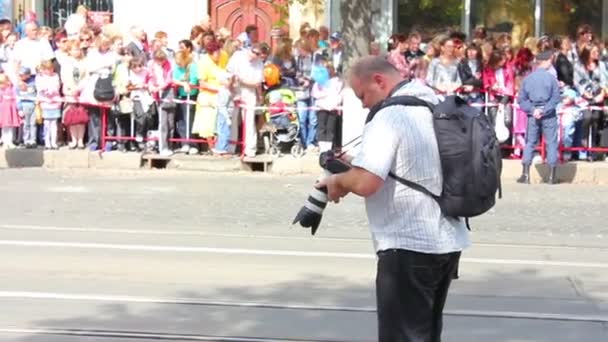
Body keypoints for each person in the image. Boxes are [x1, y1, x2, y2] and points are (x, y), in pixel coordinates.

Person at [317, 56, 470, 342]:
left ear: (379, 80)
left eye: (362, 95)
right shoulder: (432, 103)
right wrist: (355, 162)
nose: (363, 104)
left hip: (408, 244)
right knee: (425, 334)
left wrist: (337, 181)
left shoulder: (390, 115)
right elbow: (412, 164)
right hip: (447, 241)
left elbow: (366, 182)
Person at [516, 49, 561, 184]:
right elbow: (556, 98)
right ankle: (552, 176)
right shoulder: (552, 79)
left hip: (533, 114)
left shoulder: (528, 79)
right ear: (546, 61)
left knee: (530, 142)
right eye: (550, 61)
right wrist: (545, 110)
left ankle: (525, 174)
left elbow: (521, 100)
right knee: (551, 142)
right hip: (549, 114)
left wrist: (533, 110)